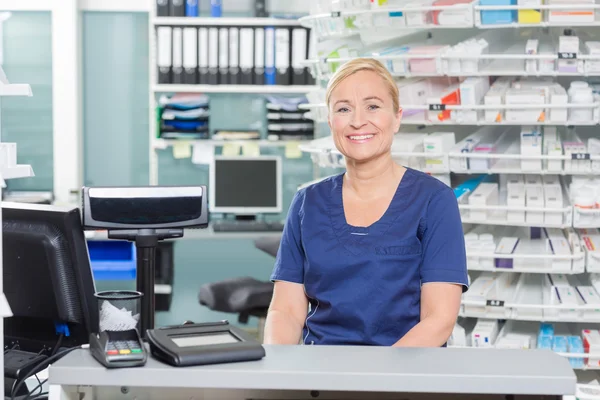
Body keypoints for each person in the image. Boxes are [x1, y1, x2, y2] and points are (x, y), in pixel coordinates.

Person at [263, 58, 468, 347]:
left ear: (397, 117)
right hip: (320, 377)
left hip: (402, 378)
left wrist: (374, 384)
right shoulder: (306, 203)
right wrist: (279, 367)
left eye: (373, 106)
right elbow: (285, 311)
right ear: (331, 121)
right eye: (344, 109)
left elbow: (438, 320)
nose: (358, 121)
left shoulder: (434, 200)